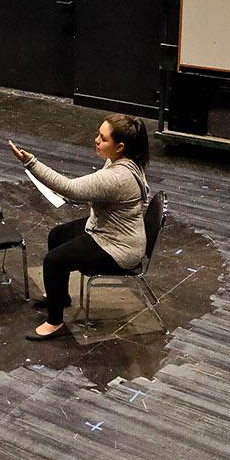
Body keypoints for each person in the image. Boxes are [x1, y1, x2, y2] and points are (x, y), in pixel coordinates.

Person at [8, 114, 150, 341]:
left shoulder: (119, 177)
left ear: (120, 146)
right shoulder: (122, 160)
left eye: (102, 138)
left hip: (118, 247)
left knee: (54, 260)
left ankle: (54, 322)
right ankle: (60, 296)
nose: (96, 140)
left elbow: (71, 188)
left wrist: (30, 162)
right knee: (57, 235)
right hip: (106, 228)